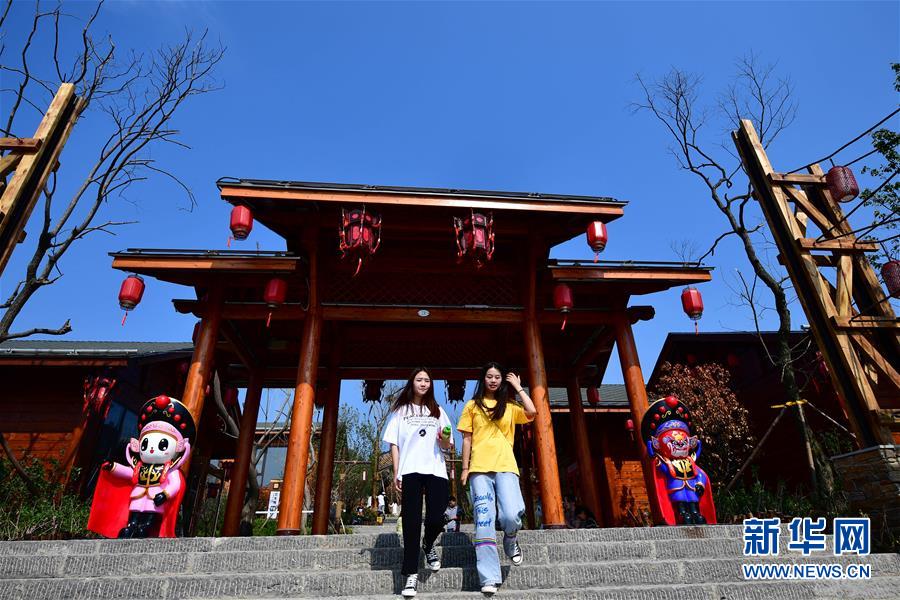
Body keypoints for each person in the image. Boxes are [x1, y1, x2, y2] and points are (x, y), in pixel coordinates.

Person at [458, 362, 537, 596]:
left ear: (502, 381)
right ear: (483, 379)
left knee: (511, 514)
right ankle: (489, 577)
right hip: (479, 469)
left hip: (505, 465)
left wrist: (518, 387)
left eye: (497, 377)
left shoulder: (510, 406)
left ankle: (510, 539)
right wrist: (464, 468)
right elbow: (467, 439)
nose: (493, 380)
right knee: (484, 522)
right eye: (489, 376)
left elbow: (532, 412)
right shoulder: (472, 406)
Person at [382, 367, 453, 598]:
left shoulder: (437, 410)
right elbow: (394, 443)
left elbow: (447, 444)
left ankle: (429, 544)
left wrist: (443, 439)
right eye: (419, 380)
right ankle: (411, 573)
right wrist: (397, 471)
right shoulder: (400, 411)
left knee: (436, 517)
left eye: (427, 380)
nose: (423, 383)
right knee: (411, 522)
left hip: (435, 468)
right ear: (412, 382)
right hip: (410, 469)